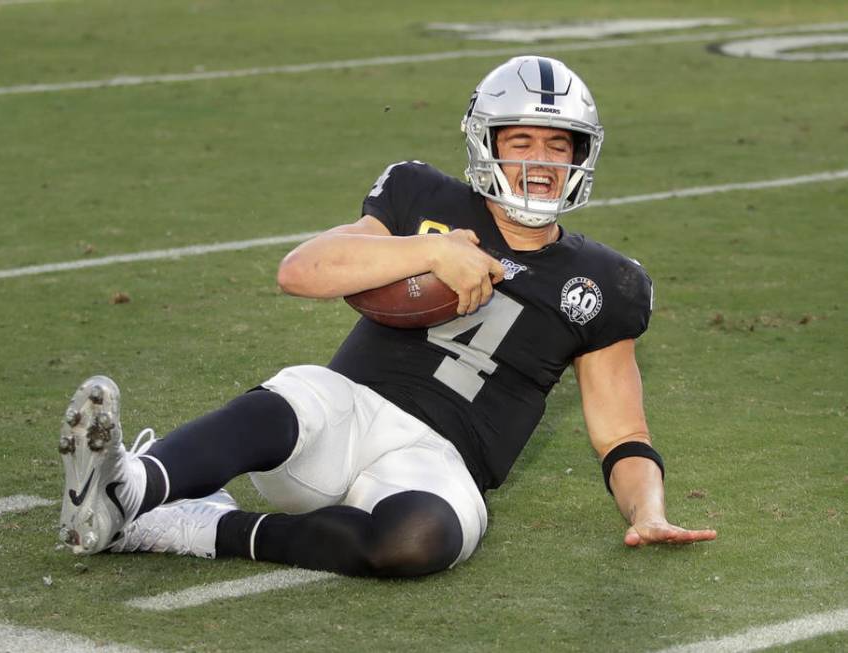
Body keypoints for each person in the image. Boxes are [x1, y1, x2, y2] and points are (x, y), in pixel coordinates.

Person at [57, 55, 716, 578]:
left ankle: (186, 526)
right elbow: (301, 271)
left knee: (416, 542)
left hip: (443, 463)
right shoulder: (421, 197)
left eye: (557, 144)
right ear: (486, 143)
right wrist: (429, 248)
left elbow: (622, 430)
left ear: (580, 155)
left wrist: (648, 509)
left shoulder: (605, 281)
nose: (539, 162)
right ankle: (126, 485)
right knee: (292, 399)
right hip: (350, 412)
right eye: (520, 141)